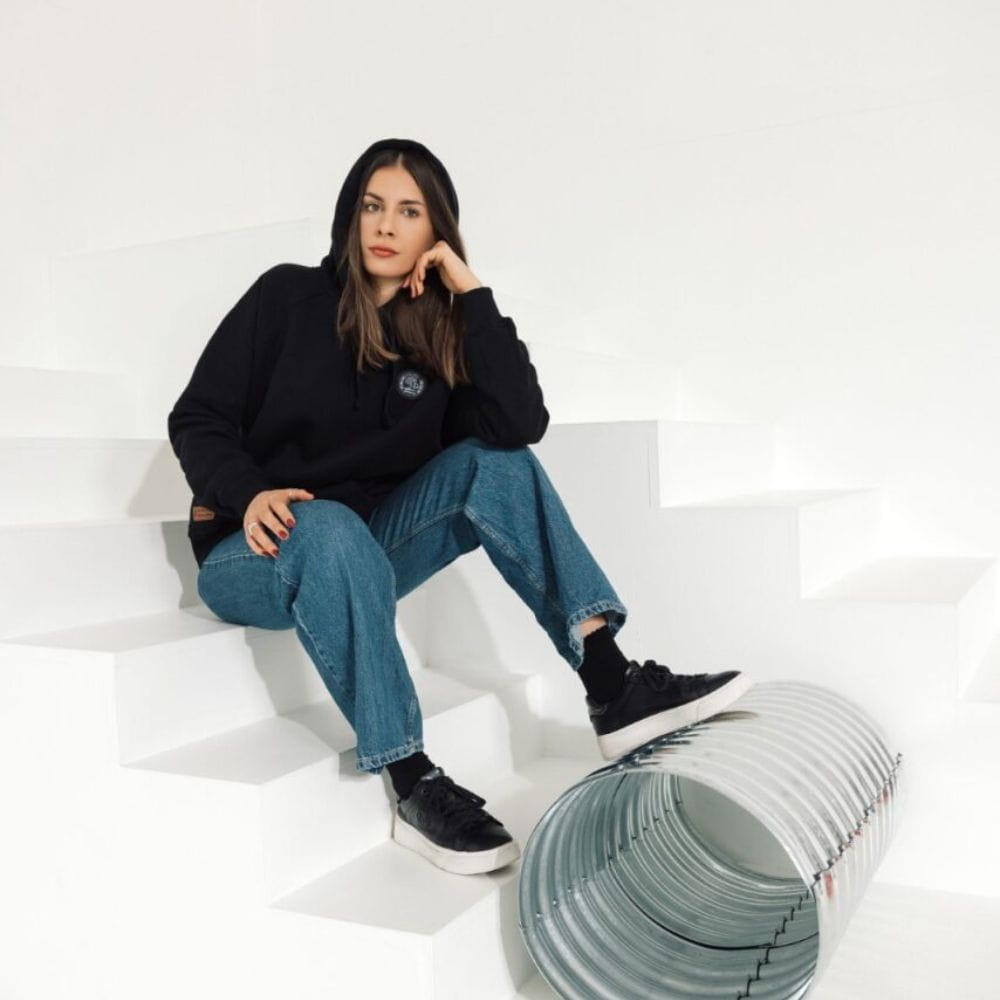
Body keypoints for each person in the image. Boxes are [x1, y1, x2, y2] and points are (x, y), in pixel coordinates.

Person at [167, 137, 752, 877]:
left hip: (360, 547)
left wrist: (470, 293)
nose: (386, 226)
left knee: (495, 465)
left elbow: (518, 424)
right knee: (330, 528)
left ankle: (611, 682)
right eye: (372, 206)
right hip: (253, 549)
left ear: (434, 232)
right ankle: (413, 780)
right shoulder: (285, 297)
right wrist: (246, 493)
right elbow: (197, 417)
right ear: (350, 216)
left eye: (409, 212)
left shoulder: (438, 334)